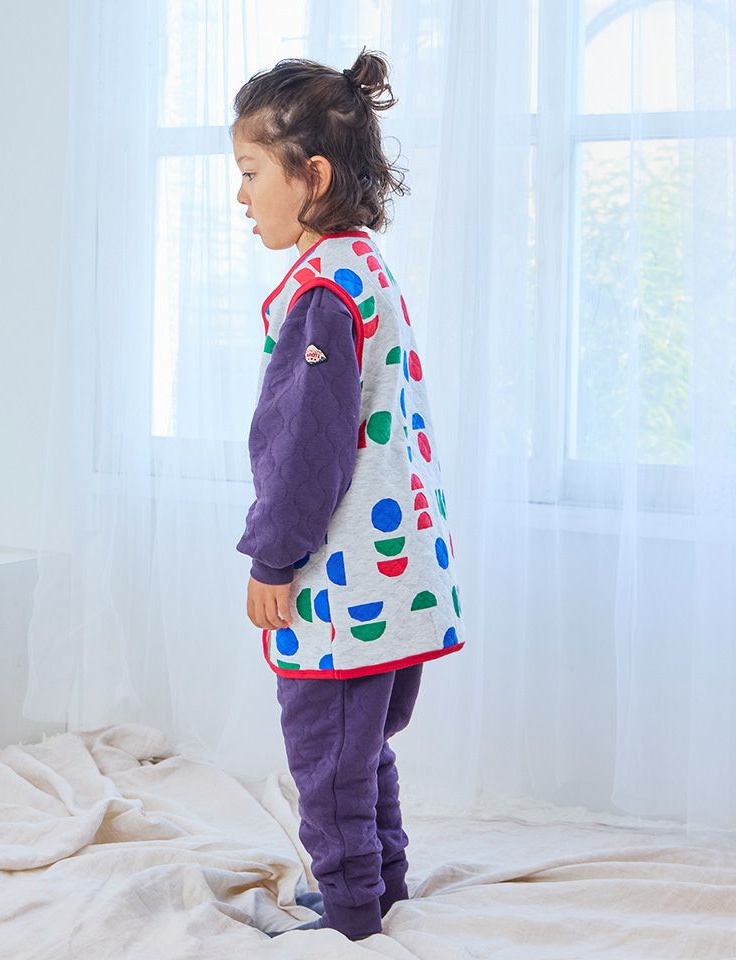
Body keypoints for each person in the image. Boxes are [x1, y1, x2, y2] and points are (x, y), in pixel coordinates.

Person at [231, 46, 467, 941]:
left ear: (314, 175)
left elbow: (304, 450)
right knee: (360, 752)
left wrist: (272, 557)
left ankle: (353, 915)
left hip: (347, 584)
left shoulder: (323, 296)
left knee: (328, 760)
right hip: (400, 579)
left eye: (252, 172)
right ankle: (381, 881)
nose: (241, 196)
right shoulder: (365, 267)